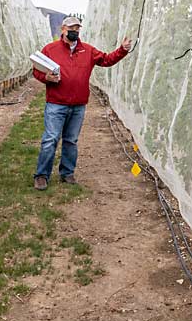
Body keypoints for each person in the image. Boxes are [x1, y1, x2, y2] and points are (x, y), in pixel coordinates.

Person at [31, 15, 132, 190]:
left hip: (78, 105)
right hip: (56, 103)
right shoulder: (50, 49)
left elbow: (106, 60)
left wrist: (122, 50)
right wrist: (46, 77)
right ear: (63, 29)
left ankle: (67, 172)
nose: (75, 31)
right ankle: (41, 175)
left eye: (77, 28)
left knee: (71, 140)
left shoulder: (88, 50)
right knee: (51, 139)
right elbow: (36, 70)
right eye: (71, 28)